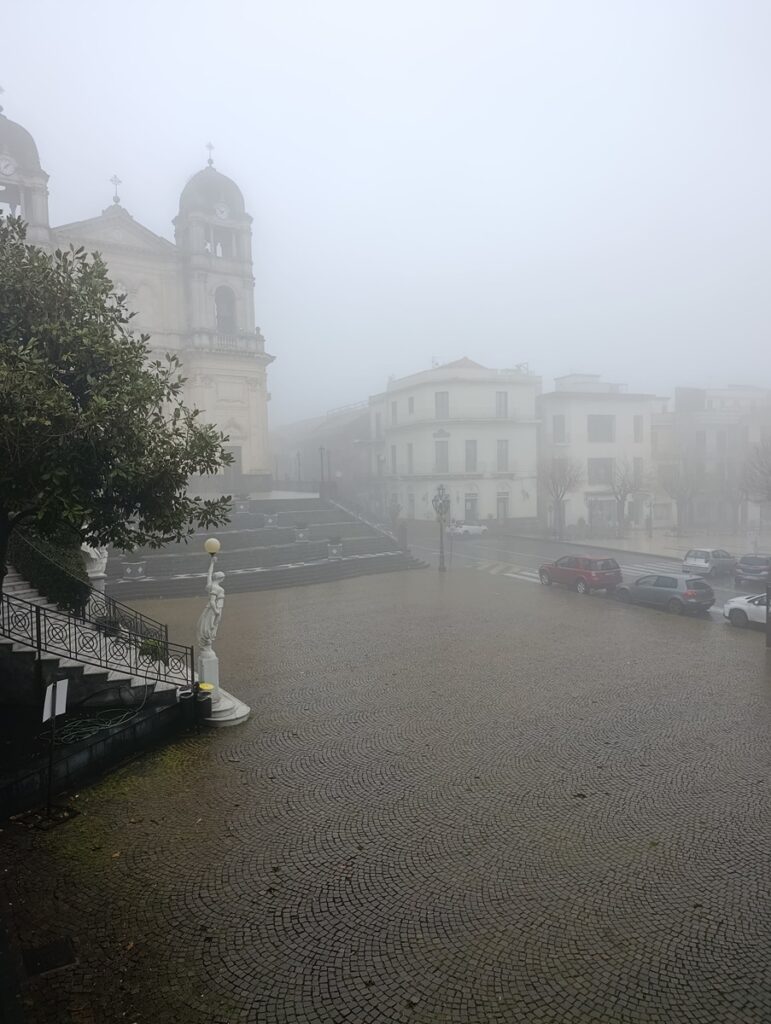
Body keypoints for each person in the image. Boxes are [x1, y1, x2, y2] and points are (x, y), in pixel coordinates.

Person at [197, 557, 226, 651]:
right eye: (223, 578)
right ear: (220, 578)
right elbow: (212, 601)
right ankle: (207, 642)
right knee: (211, 626)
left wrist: (212, 563)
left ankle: (207, 642)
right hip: (215, 608)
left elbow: (209, 573)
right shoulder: (217, 588)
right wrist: (216, 611)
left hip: (213, 608)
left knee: (210, 625)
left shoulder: (210, 584)